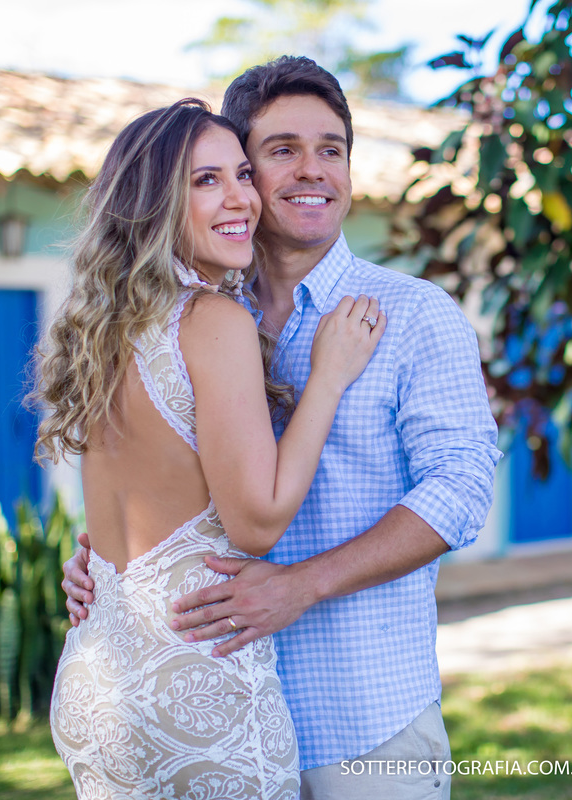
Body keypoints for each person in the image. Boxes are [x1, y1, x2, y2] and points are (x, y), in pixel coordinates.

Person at [62, 57, 501, 799]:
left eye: (332, 149)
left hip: (361, 721)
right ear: (243, 173)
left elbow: (462, 488)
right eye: (282, 150)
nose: (313, 170)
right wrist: (105, 569)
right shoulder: (191, 318)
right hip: (212, 702)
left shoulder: (415, 315)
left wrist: (304, 584)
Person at [34, 98, 385, 799]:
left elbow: (136, 513)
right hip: (198, 685)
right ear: (154, 204)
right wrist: (329, 377)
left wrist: (88, 561)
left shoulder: (105, 328)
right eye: (205, 181)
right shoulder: (212, 318)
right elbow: (257, 521)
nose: (241, 200)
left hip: (95, 684)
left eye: (243, 175)